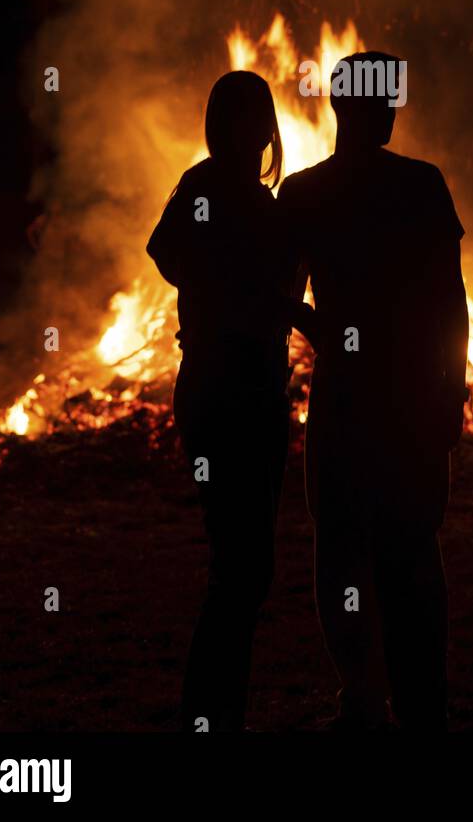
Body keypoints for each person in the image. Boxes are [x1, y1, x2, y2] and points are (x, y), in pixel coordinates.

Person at [278, 53, 469, 731]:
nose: (392, 111)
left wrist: (326, 330)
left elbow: (279, 294)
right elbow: (451, 301)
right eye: (384, 100)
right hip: (410, 395)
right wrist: (452, 389)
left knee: (345, 549)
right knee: (410, 550)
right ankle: (418, 704)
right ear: (349, 106)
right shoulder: (421, 187)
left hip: (351, 396)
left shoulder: (304, 193)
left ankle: (365, 695)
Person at [146, 70, 316, 732]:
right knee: (243, 568)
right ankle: (210, 716)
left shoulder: (206, 186)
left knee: (240, 564)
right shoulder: (231, 194)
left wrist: (207, 291)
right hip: (240, 393)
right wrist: (292, 314)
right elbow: (256, 291)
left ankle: (215, 713)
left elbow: (166, 252)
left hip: (216, 388)